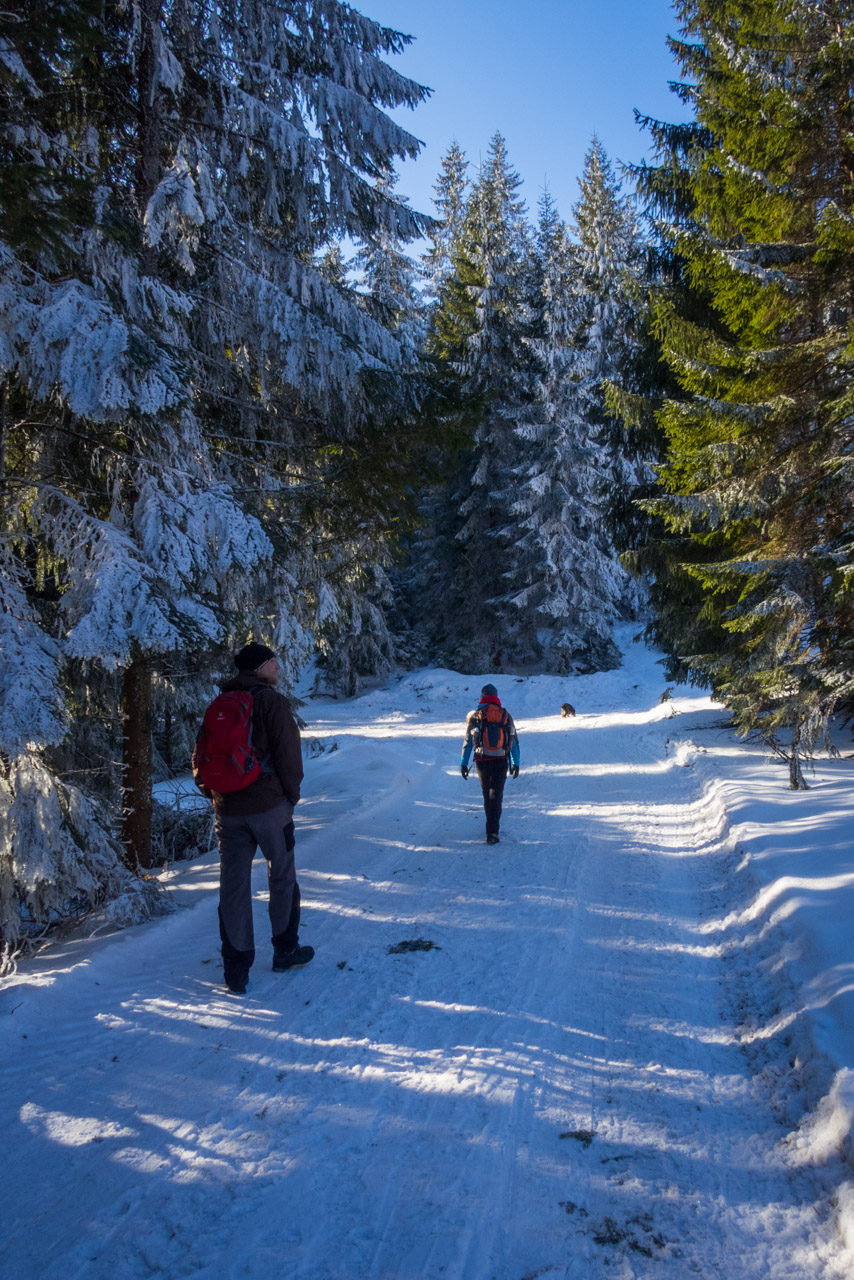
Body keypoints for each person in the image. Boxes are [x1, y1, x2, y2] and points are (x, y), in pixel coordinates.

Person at [193, 642, 314, 994]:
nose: (278, 667)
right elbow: (290, 757)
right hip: (269, 808)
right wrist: (290, 797)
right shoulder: (272, 702)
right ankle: (285, 950)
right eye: (273, 662)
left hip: (227, 810)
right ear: (260, 667)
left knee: (233, 887)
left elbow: (201, 755)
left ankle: (236, 970)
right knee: (282, 875)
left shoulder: (218, 704)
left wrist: (216, 794)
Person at [460, 683, 520, 845]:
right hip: (501, 760)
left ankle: (490, 829)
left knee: (487, 795)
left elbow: (468, 742)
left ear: (482, 697)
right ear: (496, 697)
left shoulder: (476, 716)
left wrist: (464, 763)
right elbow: (513, 741)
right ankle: (493, 831)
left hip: (482, 761)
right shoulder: (505, 715)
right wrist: (516, 763)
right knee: (497, 795)